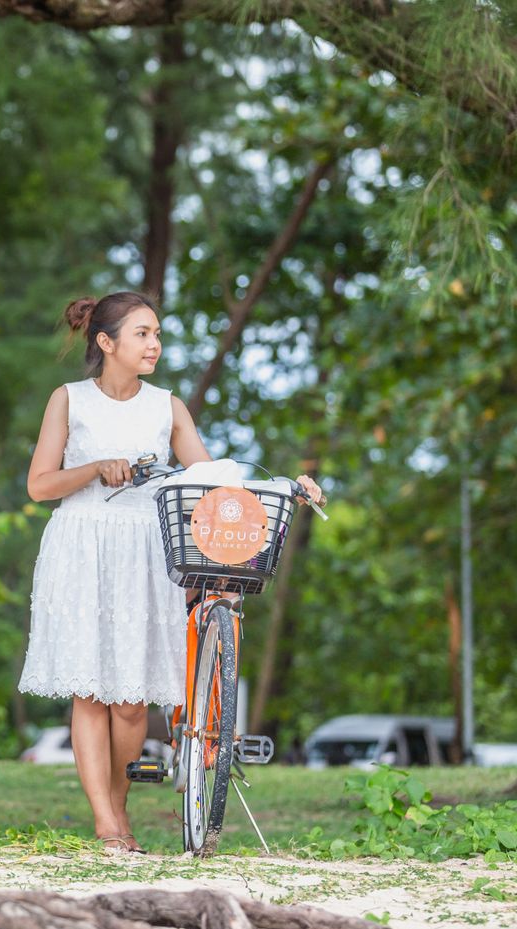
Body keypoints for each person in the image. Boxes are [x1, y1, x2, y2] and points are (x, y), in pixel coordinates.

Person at [18, 291, 323, 854]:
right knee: (89, 690)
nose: (154, 343)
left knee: (132, 700)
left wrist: (286, 487)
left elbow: (214, 478)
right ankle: (107, 823)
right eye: (141, 333)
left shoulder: (167, 406)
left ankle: (118, 807)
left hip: (147, 550)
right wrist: (91, 469)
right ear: (105, 342)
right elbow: (39, 486)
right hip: (83, 543)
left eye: (156, 333)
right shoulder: (69, 400)